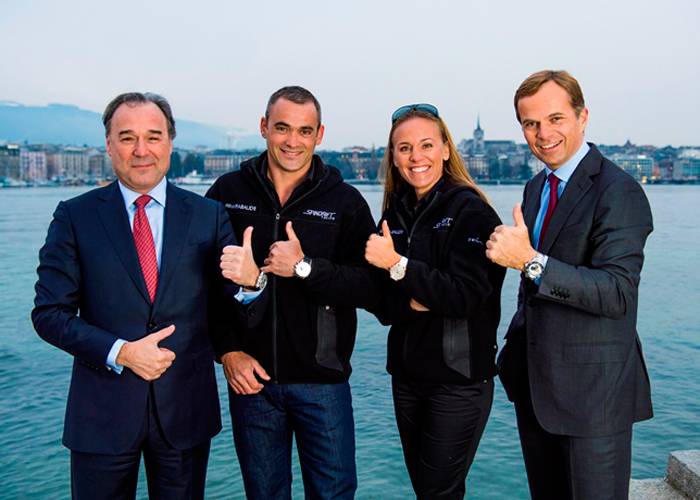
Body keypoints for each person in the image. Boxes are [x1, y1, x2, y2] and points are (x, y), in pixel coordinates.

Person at [32, 92, 256, 499]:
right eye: (127, 137)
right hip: (102, 415)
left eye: (153, 137)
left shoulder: (209, 215)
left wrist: (251, 283)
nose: (141, 150)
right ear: (109, 145)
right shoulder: (74, 216)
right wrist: (121, 351)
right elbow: (49, 313)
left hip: (184, 414)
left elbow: (231, 304)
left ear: (170, 143)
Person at [486, 70, 653, 499]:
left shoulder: (619, 191)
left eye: (555, 118)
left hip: (595, 399)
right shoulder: (535, 187)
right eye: (530, 123)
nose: (543, 134)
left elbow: (617, 292)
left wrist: (529, 261)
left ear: (583, 117)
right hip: (536, 391)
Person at [205, 85, 378, 499]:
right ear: (264, 128)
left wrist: (306, 269)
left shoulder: (345, 202)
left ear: (319, 135)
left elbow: (372, 288)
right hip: (252, 382)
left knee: (333, 494)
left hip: (323, 383)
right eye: (282, 128)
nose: (292, 141)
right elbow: (203, 287)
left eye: (304, 131)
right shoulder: (228, 193)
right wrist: (227, 351)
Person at [364, 103, 506, 499]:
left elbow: (465, 297)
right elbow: (380, 304)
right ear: (393, 157)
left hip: (458, 380)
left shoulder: (472, 211)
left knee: (437, 491)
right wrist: (415, 295)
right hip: (407, 377)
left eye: (426, 144)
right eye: (404, 148)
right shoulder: (395, 214)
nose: (416, 157)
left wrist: (397, 266)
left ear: (446, 148)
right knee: (428, 490)